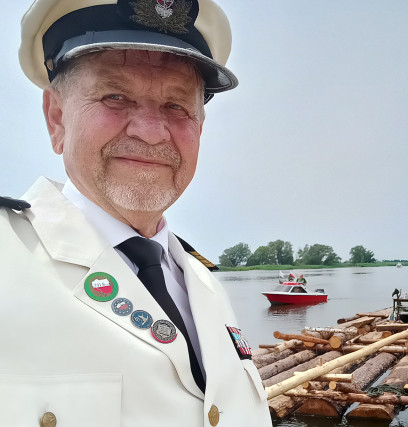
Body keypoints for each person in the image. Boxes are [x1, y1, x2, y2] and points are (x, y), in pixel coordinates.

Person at [0, 1, 270, 425]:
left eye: (176, 106)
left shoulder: (204, 284)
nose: (149, 130)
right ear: (57, 119)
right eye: (115, 96)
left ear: (199, 126)